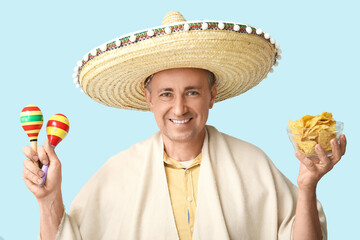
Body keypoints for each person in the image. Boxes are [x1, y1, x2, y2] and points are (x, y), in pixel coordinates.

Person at [22, 11, 346, 240]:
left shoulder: (253, 163)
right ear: (149, 99)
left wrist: (307, 188)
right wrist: (48, 200)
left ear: (212, 95)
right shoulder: (116, 173)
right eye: (166, 94)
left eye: (192, 92)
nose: (179, 107)